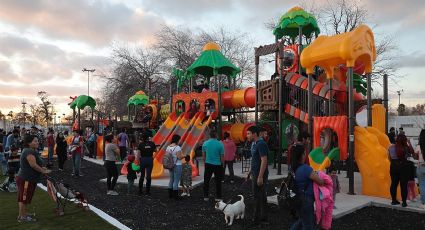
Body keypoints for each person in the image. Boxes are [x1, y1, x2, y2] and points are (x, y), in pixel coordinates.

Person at [16, 135, 51, 222]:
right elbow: (33, 165)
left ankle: (22, 214)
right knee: (24, 198)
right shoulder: (28, 151)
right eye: (35, 141)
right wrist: (43, 171)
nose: (37, 142)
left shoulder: (30, 150)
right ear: (29, 143)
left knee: (23, 198)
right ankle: (23, 217)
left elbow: (35, 164)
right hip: (26, 179)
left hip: (27, 178)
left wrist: (43, 168)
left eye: (37, 141)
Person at [290, 145, 325, 230]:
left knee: (302, 220)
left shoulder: (294, 168)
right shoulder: (306, 168)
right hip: (306, 200)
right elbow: (320, 182)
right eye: (305, 153)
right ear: (302, 155)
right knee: (308, 225)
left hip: (297, 198)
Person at [246, 126, 269, 224]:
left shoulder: (261, 144)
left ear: (254, 134)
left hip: (260, 174)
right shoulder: (254, 144)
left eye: (248, 133)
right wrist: (250, 171)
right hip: (255, 173)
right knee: (258, 195)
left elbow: (264, 160)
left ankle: (258, 218)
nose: (247, 135)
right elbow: (256, 159)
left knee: (259, 196)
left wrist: (260, 177)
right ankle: (260, 217)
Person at [388, 134, 413, 207]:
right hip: (403, 167)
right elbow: (411, 153)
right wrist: (409, 142)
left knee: (394, 184)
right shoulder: (405, 147)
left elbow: (389, 158)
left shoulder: (391, 147)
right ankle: (404, 202)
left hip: (393, 166)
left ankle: (393, 200)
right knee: (403, 185)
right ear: (404, 140)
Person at [202, 130, 224, 201]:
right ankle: (218, 197)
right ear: (216, 135)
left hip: (208, 164)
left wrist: (205, 162)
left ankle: (206, 196)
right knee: (218, 181)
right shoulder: (220, 144)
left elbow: (203, 156)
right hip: (218, 165)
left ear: (210, 135)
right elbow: (222, 157)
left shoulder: (205, 143)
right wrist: (222, 165)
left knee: (206, 180)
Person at [167, 134, 184, 200]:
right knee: (176, 181)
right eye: (179, 140)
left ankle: (170, 195)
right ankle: (175, 196)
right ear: (177, 140)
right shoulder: (177, 147)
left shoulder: (168, 147)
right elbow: (179, 157)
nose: (180, 141)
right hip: (177, 165)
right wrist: (185, 156)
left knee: (171, 179)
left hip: (170, 165)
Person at [416, 129, 425, 209]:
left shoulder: (419, 146)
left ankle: (423, 203)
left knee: (422, 185)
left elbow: (415, 156)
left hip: (421, 167)